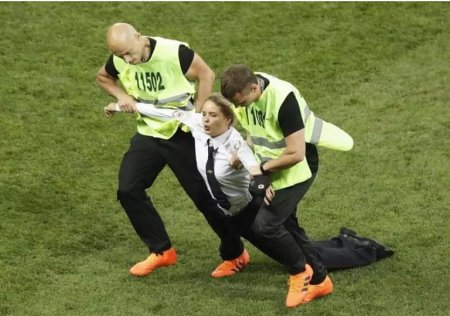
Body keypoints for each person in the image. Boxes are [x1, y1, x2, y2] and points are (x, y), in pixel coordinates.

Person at [104, 94, 394, 307]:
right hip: (234, 215)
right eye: (204, 114)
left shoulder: (237, 146)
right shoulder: (196, 125)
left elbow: (256, 168)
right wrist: (121, 105)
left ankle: (359, 251)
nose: (205, 119)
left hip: (253, 211)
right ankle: (242, 258)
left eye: (213, 116)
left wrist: (262, 184)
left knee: (303, 252)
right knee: (291, 248)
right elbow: (165, 113)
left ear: (228, 119)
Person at [96, 23, 249, 278]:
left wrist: (198, 117)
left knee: (206, 197)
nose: (126, 60)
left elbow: (206, 75)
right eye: (121, 56)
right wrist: (122, 96)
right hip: (150, 132)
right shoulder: (119, 59)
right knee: (128, 188)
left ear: (138, 37)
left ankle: (235, 254)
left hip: (183, 133)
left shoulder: (173, 52)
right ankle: (161, 250)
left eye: (128, 53)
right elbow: (103, 76)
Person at [219, 64, 349, 308]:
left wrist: (262, 170)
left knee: (265, 225)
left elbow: (297, 153)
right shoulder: (246, 92)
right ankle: (320, 278)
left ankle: (301, 273)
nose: (238, 108)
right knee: (287, 224)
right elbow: (252, 132)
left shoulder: (283, 99)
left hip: (298, 167)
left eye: (241, 103)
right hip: (270, 165)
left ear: (255, 87)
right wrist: (248, 158)